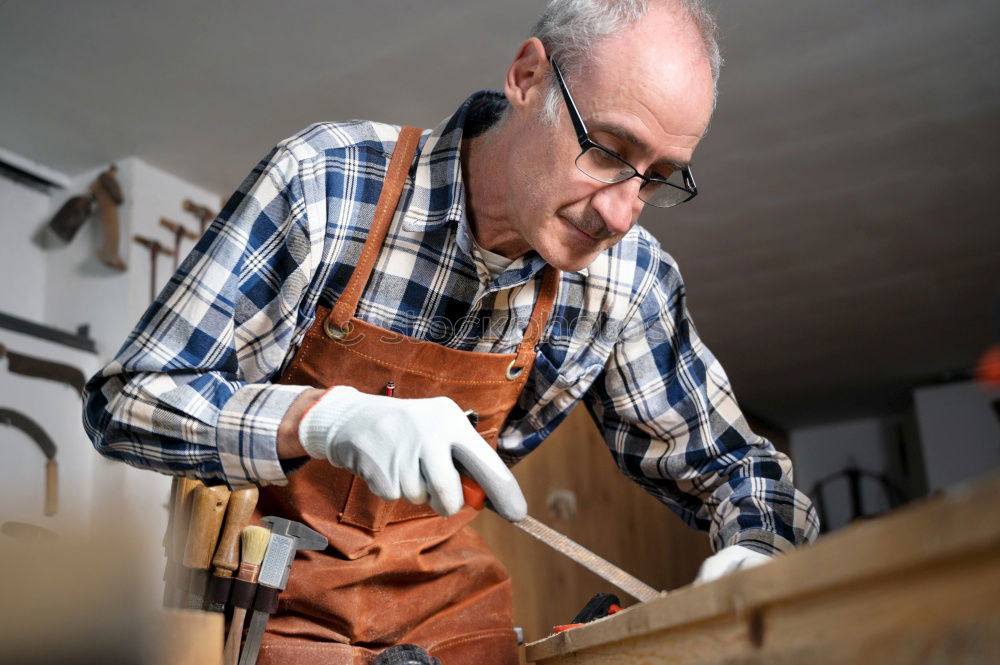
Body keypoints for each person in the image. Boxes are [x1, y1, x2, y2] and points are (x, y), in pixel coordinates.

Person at [84, 1, 818, 663]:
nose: (622, 213)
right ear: (528, 77)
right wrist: (322, 417)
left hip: (446, 619)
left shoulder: (626, 280)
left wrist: (760, 547)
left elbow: (739, 469)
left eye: (658, 178)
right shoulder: (326, 182)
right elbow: (126, 403)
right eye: (608, 149)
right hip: (257, 610)